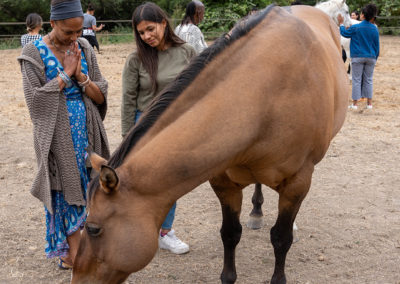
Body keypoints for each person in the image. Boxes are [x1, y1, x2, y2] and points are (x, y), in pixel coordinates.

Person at [18, 0, 109, 269]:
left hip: (86, 130)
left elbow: (101, 94)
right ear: (53, 23)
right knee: (64, 193)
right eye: (68, 32)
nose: (74, 37)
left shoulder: (83, 47)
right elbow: (35, 103)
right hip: (54, 136)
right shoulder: (33, 52)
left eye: (79, 31)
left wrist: (81, 76)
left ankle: (71, 254)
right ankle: (77, 258)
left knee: (88, 188)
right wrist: (66, 75)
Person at [122, 2, 196, 254]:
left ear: (164, 23)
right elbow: (128, 99)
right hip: (144, 126)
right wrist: (127, 138)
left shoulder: (187, 52)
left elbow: (199, 89)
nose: (147, 37)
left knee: (170, 179)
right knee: (139, 181)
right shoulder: (136, 59)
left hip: (177, 125)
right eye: (141, 33)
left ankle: (165, 232)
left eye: (150, 29)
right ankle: (137, 229)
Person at [338, 3, 379, 110]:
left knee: (356, 80)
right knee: (368, 80)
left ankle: (355, 104)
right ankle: (369, 104)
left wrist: (341, 24)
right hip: (371, 57)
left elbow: (344, 33)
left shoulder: (356, 27)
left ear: (363, 15)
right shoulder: (374, 28)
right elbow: (376, 45)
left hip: (357, 56)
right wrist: (375, 58)